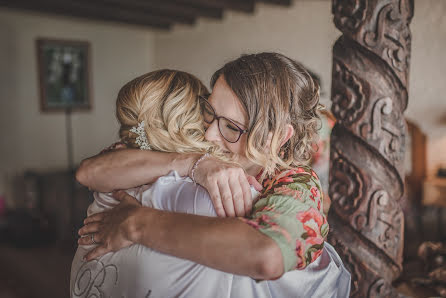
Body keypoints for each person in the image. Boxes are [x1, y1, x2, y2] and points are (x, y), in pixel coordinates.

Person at [76, 53, 351, 296]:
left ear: (276, 137)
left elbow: (267, 255)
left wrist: (136, 223)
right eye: (209, 111)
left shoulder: (295, 184)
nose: (209, 134)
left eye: (231, 127)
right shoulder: (193, 146)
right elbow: (90, 172)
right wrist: (190, 163)